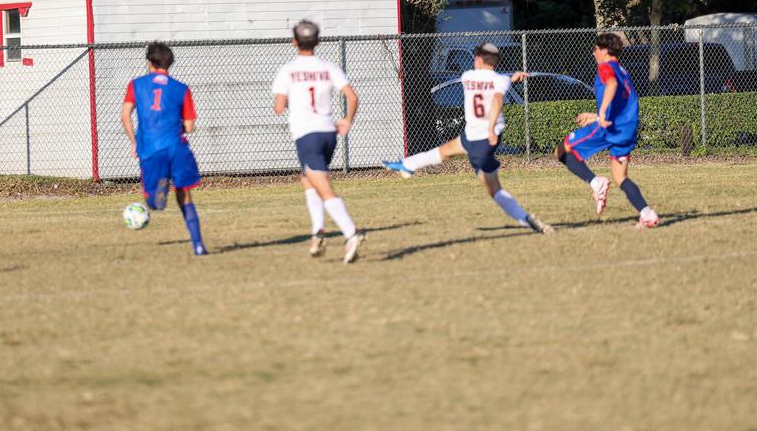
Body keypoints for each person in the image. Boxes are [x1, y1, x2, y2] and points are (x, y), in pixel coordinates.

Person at [382, 42, 554, 234]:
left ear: (478, 59)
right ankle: (407, 165)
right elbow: (497, 90)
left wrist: (490, 128)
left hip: (481, 138)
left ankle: (526, 219)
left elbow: (495, 96)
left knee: (493, 189)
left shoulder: (467, 77)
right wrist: (510, 80)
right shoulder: (501, 80)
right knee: (445, 152)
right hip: (477, 137)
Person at [272, 20, 365, 263]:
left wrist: (291, 100)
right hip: (327, 133)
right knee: (308, 180)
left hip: (307, 134)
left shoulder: (288, 70)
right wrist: (347, 120)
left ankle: (351, 233)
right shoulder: (328, 67)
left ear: (294, 42)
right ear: (317, 41)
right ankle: (318, 233)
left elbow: (279, 107)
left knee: (323, 187)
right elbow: (352, 97)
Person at [555, 32, 659, 228]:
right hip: (626, 129)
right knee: (620, 177)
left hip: (610, 128)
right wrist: (596, 116)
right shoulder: (622, 70)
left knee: (561, 150)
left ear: (604, 50)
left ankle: (596, 183)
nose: (593, 53)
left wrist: (601, 113)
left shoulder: (606, 67)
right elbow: (621, 103)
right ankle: (647, 214)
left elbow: (610, 84)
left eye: (595, 49)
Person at [121, 42, 208, 255]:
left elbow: (125, 117)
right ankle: (198, 245)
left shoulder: (136, 85)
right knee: (184, 194)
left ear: (149, 62)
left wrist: (135, 142)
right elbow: (190, 126)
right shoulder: (181, 88)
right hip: (177, 147)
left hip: (151, 148)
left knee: (153, 203)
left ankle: (160, 191)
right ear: (169, 63)